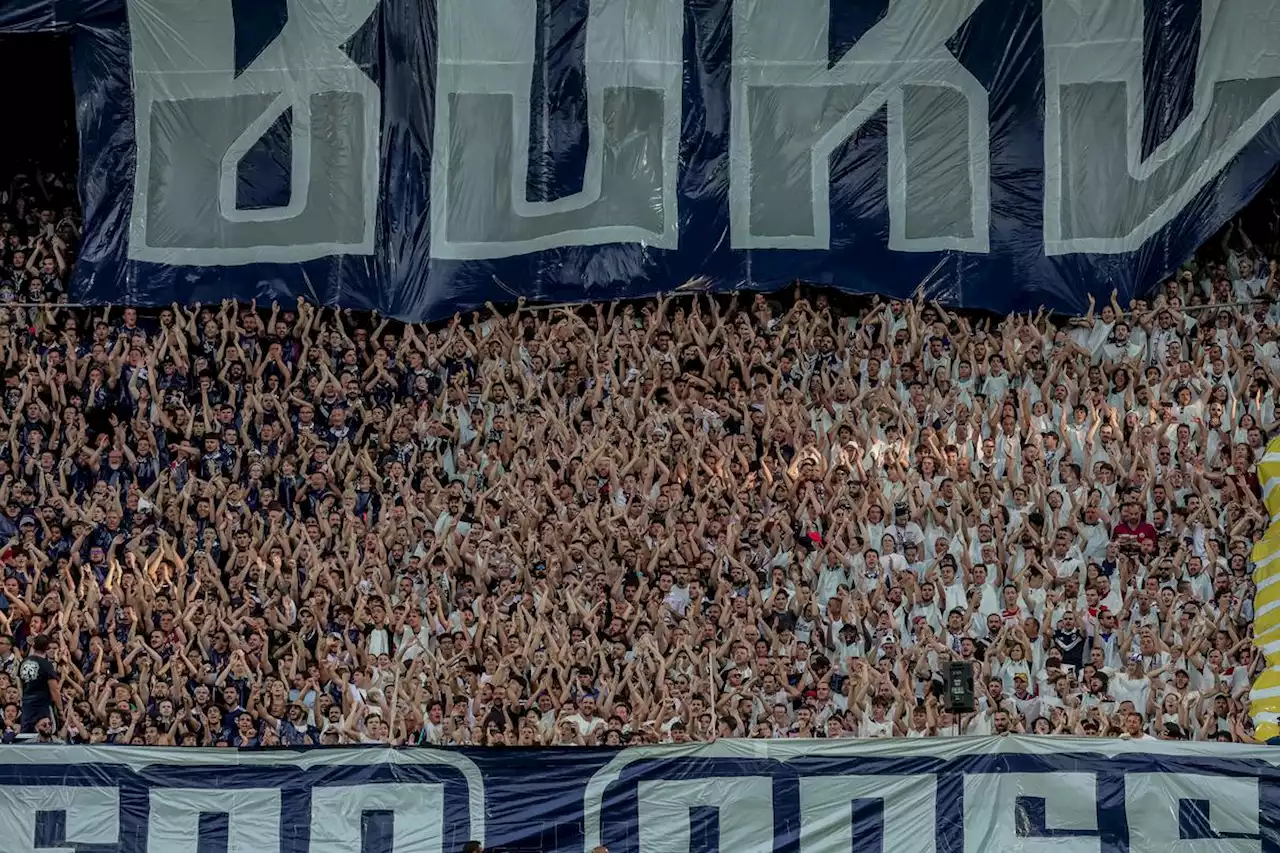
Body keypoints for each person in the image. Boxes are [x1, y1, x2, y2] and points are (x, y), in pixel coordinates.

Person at [18, 635, 59, 735]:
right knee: (43, 733)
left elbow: (19, 683)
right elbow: (54, 689)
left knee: (26, 735)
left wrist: (21, 698)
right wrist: (60, 709)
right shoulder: (46, 665)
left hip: (26, 703)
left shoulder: (23, 662)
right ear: (46, 648)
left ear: (34, 645)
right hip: (41, 705)